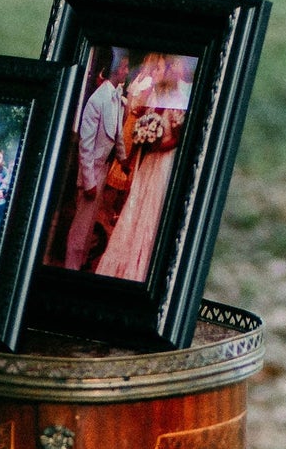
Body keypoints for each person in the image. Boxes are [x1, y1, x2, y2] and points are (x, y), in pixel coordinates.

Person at [95, 52, 191, 282]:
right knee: (135, 209)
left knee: (154, 211)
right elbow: (140, 126)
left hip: (164, 163)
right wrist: (144, 138)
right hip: (148, 162)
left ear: (167, 71)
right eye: (151, 70)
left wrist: (160, 141)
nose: (152, 74)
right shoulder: (153, 99)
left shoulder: (180, 99)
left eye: (157, 70)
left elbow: (178, 136)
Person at [62, 49, 130, 270]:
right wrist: (89, 181)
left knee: (90, 226)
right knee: (80, 228)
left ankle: (80, 265)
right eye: (125, 67)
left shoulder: (117, 98)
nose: (127, 72)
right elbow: (86, 146)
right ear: (117, 70)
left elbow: (118, 134)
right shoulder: (97, 100)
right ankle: (70, 268)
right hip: (91, 172)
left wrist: (123, 159)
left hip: (104, 169)